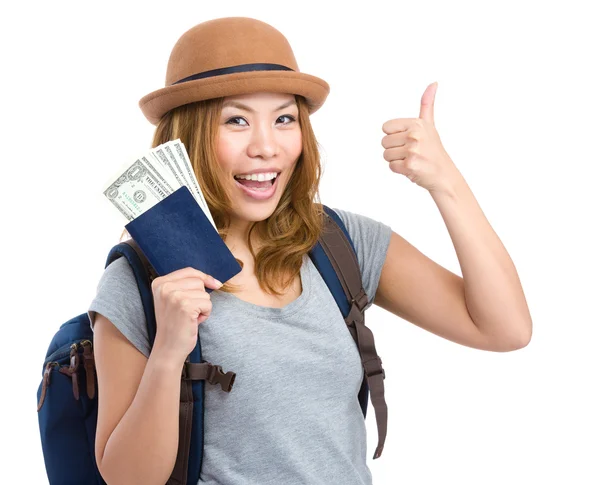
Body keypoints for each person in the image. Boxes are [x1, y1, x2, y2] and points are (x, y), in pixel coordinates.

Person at [87, 16, 532, 485]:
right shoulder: (139, 278)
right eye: (236, 120)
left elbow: (505, 329)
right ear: (189, 138)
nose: (267, 147)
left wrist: (446, 183)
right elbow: (128, 479)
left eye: (284, 119)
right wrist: (168, 351)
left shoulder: (340, 243)